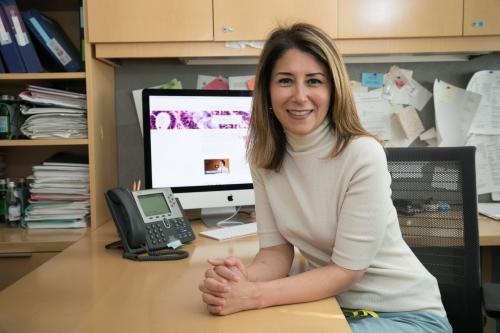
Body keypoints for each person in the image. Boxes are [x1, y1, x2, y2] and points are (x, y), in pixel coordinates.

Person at [198, 23, 452, 333]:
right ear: (266, 88)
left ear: (332, 90)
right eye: (285, 80)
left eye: (314, 81)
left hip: (404, 315)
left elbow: (347, 271)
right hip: (332, 308)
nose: (300, 96)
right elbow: (276, 253)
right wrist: (236, 282)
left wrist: (253, 295)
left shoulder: (361, 154)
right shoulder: (263, 157)